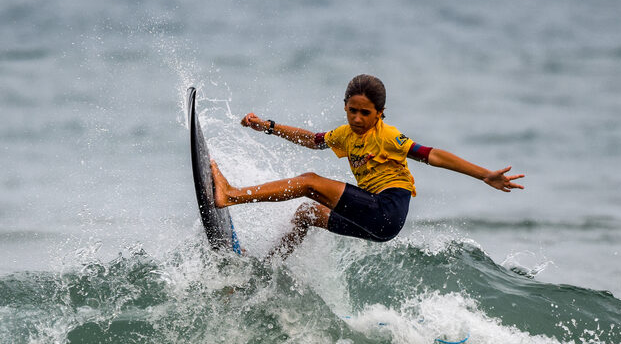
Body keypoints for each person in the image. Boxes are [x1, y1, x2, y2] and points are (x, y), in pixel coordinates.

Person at [210, 74, 524, 259]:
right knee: (306, 214)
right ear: (345, 108)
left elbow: (432, 155)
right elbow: (312, 140)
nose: (358, 119)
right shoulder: (345, 134)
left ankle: (232, 195)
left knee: (309, 182)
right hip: (376, 223)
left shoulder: (388, 136)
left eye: (365, 113)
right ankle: (270, 269)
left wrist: (484, 174)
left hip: (385, 210)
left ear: (380, 113)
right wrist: (267, 125)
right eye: (352, 111)